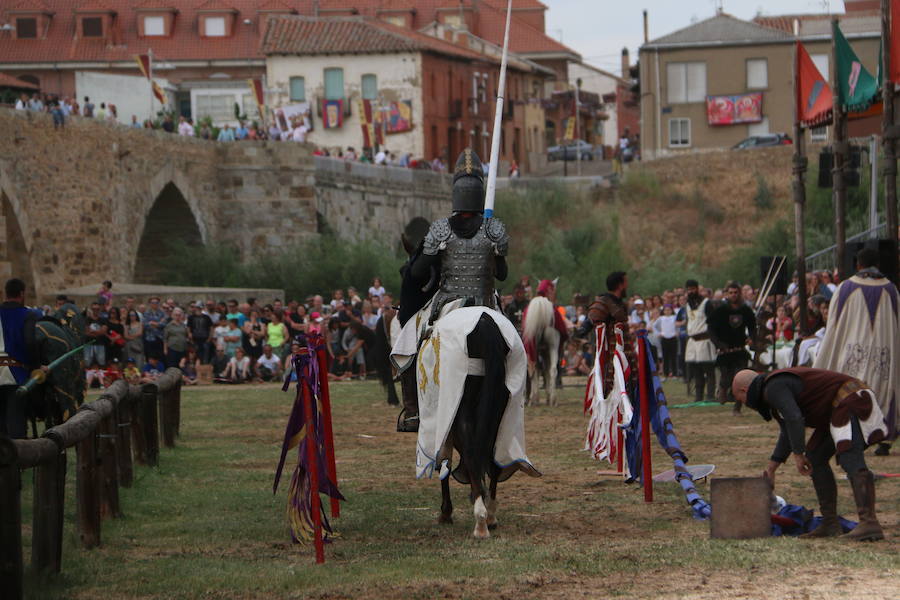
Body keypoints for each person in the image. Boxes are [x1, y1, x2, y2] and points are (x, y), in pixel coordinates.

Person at [397, 148, 509, 431]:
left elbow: (420, 272)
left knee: (409, 342)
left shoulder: (441, 230)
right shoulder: (493, 229)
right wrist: (491, 254)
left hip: (448, 302)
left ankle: (412, 412)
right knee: (512, 343)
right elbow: (504, 275)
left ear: (455, 193)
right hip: (486, 302)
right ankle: (512, 397)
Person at [732, 367, 887, 541]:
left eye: (741, 399)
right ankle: (830, 523)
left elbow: (794, 418)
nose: (746, 404)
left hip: (849, 400)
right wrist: (772, 468)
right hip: (836, 408)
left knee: (849, 457)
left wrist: (798, 454)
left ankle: (869, 523)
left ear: (744, 390)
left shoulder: (773, 387)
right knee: (815, 457)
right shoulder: (772, 389)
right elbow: (788, 429)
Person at [814, 248, 899, 456]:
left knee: (852, 391)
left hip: (852, 351)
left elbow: (834, 325)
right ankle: (882, 438)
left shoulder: (846, 288)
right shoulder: (891, 289)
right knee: (881, 388)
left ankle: (852, 433)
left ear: (858, 264)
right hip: (883, 351)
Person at [580, 271, 634, 394]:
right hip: (610, 354)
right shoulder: (604, 302)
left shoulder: (620, 304)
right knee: (609, 389)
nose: (627, 285)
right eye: (626, 282)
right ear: (620, 285)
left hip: (624, 353)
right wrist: (581, 332)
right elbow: (589, 321)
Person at [0, 278, 42, 438]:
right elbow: (30, 342)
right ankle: (15, 460)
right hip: (16, 373)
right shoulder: (27, 314)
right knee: (16, 420)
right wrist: (36, 367)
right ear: (22, 293)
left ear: (6, 293)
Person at [708, 282, 756, 414]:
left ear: (739, 293)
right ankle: (723, 389)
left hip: (740, 349)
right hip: (725, 350)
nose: (733, 295)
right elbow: (711, 328)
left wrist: (751, 337)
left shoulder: (745, 310)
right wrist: (718, 343)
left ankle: (737, 407)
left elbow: (752, 326)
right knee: (726, 378)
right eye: (731, 293)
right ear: (727, 294)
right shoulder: (720, 311)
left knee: (741, 379)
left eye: (736, 292)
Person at [682, 280, 717, 403]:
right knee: (696, 371)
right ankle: (699, 396)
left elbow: (713, 322)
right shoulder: (688, 305)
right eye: (688, 289)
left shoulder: (706, 303)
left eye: (693, 289)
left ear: (697, 289)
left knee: (708, 369)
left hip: (704, 339)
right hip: (693, 340)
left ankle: (711, 395)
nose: (691, 291)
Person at [84, 302, 109, 367]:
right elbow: (86, 332)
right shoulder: (87, 319)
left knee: (101, 362)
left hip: (100, 344)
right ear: (91, 309)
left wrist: (92, 331)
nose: (95, 310)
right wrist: (98, 332)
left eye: (97, 309)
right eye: (94, 309)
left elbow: (103, 331)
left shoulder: (103, 319)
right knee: (87, 362)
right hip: (88, 344)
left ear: (100, 309)